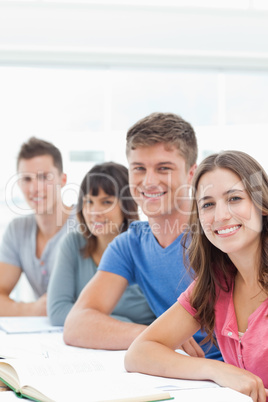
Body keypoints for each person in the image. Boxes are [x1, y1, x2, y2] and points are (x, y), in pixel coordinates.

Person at [63, 112, 222, 360]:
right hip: (179, 372)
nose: (148, 181)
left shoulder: (217, 232)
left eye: (163, 168)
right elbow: (76, 325)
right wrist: (155, 336)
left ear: (192, 173)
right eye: (139, 168)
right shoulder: (130, 244)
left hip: (236, 376)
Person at [125, 150, 268, 402]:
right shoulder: (217, 283)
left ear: (261, 204)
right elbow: (139, 353)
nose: (221, 216)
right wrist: (217, 370)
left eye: (234, 198)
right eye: (208, 204)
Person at [47, 162, 155, 326]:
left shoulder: (150, 248)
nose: (94, 212)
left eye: (106, 202)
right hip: (93, 346)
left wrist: (89, 319)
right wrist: (120, 324)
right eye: (88, 202)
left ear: (127, 204)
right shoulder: (73, 244)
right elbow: (58, 311)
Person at [0, 137, 76, 316]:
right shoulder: (17, 230)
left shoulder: (86, 225)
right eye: (26, 179)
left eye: (44, 177)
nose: (35, 188)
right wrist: (32, 309)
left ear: (63, 179)